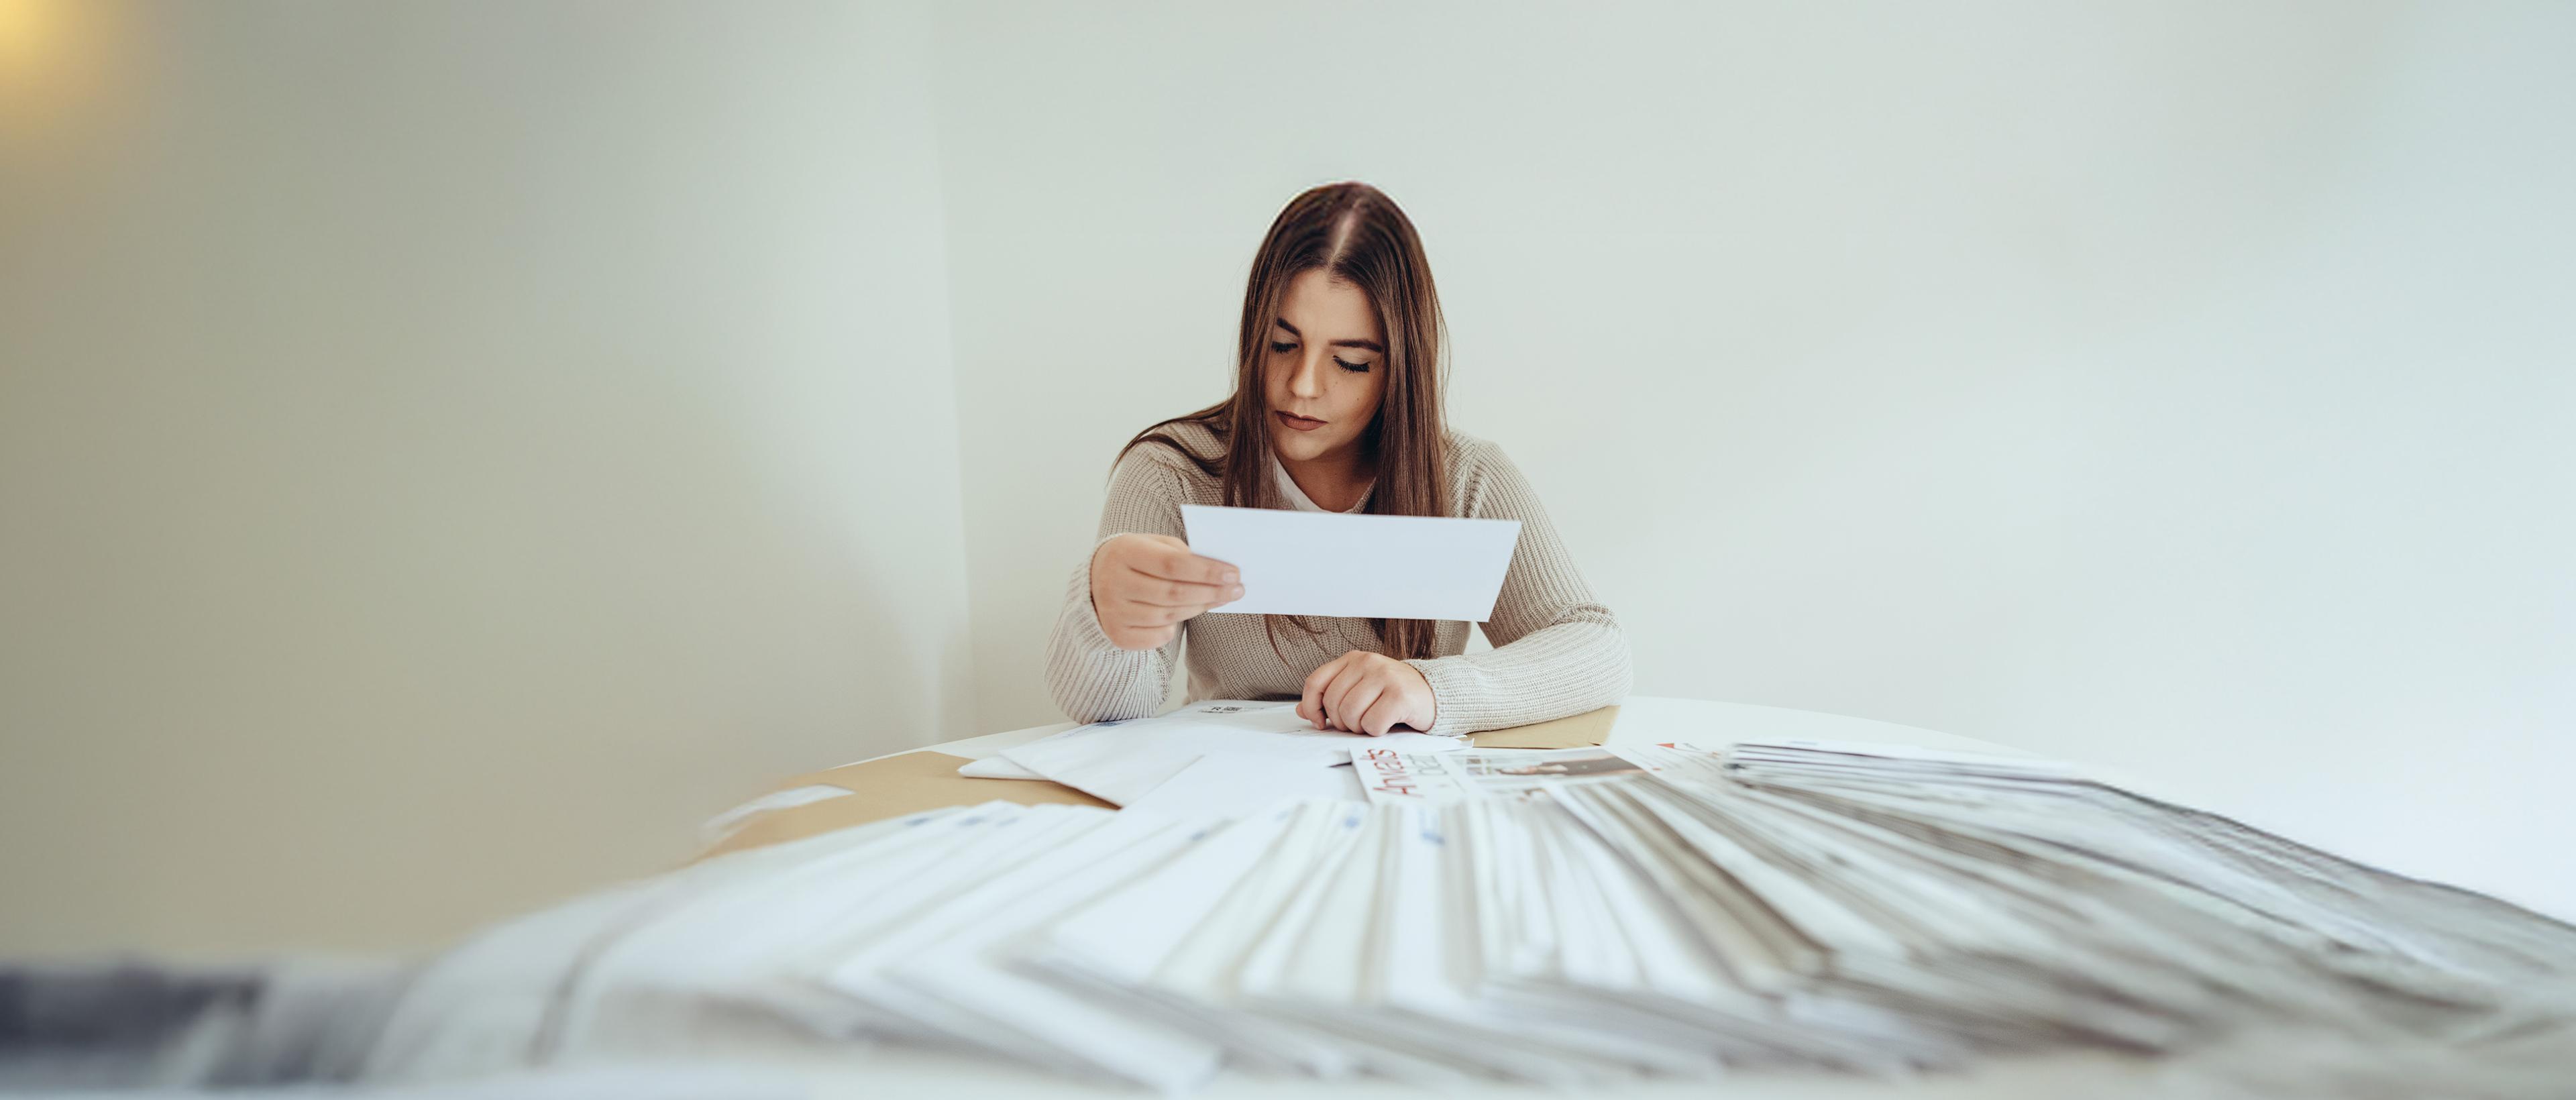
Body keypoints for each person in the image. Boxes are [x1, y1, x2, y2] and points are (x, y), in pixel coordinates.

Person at [1046, 182, 1631, 738]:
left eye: (1350, 361)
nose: (1302, 385)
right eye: (1282, 345)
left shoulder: (1466, 478)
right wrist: (1103, 612)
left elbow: (1596, 649)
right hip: (1229, 796)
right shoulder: (1173, 472)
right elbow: (1109, 713)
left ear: (1400, 369)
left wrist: (1433, 690)